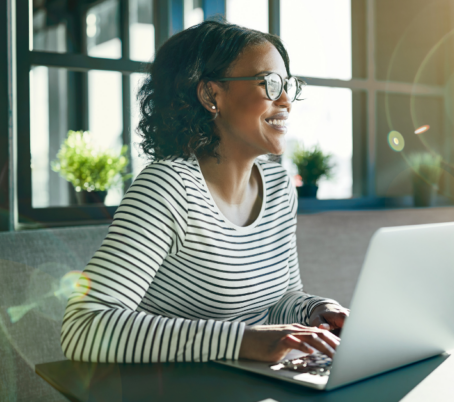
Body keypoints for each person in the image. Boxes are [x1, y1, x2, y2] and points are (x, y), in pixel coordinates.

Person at [60, 20, 349, 364]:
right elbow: (83, 326)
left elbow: (279, 298)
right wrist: (243, 341)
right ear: (212, 95)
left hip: (254, 383)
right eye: (270, 84)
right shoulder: (166, 189)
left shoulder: (278, 186)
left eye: (288, 84)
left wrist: (316, 310)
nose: (286, 100)